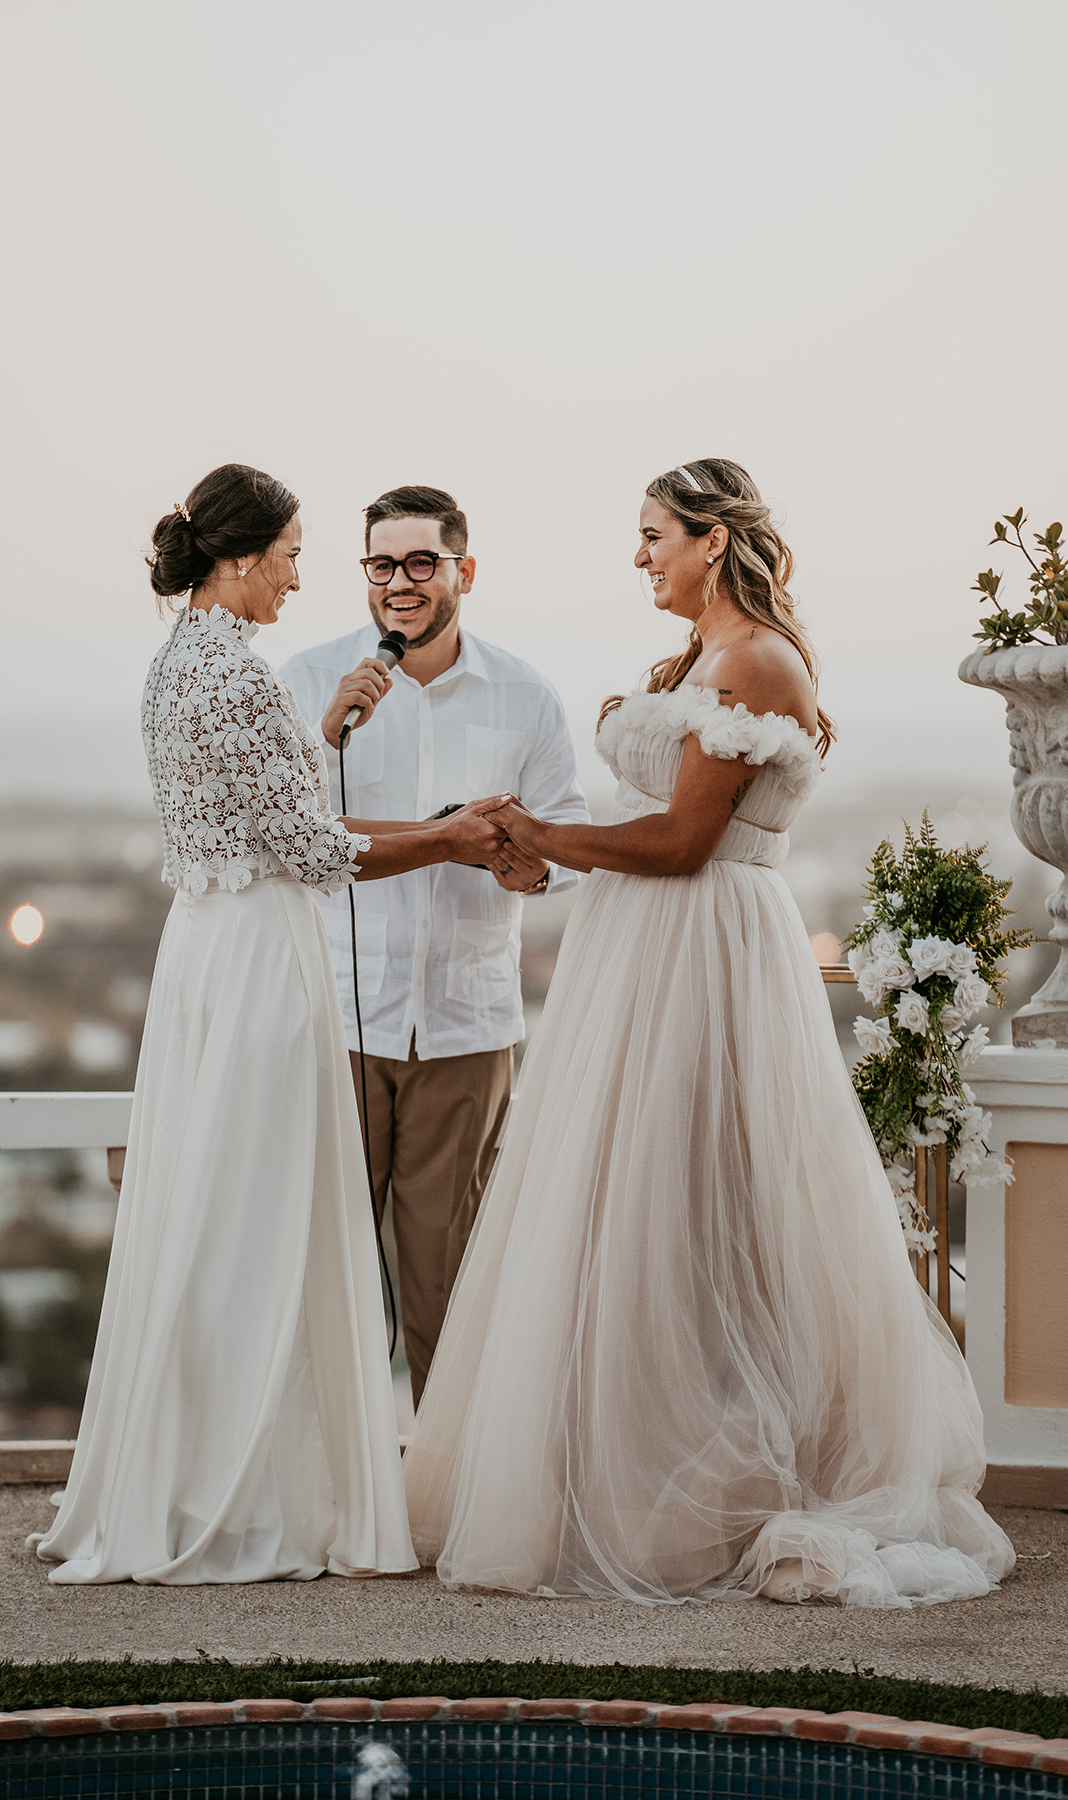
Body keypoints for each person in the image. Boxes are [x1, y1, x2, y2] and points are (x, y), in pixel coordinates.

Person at [403, 457, 1016, 1609]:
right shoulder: (699, 659)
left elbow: (685, 844)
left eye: (653, 536)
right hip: (643, 954)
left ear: (712, 539)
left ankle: (729, 1478)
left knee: (708, 1203)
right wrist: (542, 855)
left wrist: (545, 831)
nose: (640, 557)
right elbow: (647, 831)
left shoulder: (758, 663)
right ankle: (637, 1466)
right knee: (631, 1212)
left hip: (709, 953)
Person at [30, 463, 505, 1585]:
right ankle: (256, 1497)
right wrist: (449, 836)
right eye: (291, 556)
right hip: (255, 961)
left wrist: (322, 727)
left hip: (211, 949)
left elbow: (266, 804)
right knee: (264, 1216)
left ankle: (203, 1472)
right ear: (240, 558)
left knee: (220, 1211)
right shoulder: (234, 676)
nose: (301, 577)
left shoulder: (178, 662)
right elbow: (313, 849)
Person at [282, 485, 588, 1409]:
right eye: (383, 564)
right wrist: (326, 728)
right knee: (323, 1275)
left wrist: (523, 867)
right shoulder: (307, 680)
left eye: (422, 563)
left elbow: (568, 838)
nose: (400, 583)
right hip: (334, 1016)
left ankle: (444, 1494)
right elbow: (288, 837)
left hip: (467, 1024)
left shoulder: (526, 693)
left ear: (464, 571)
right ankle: (331, 1492)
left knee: (446, 1281)